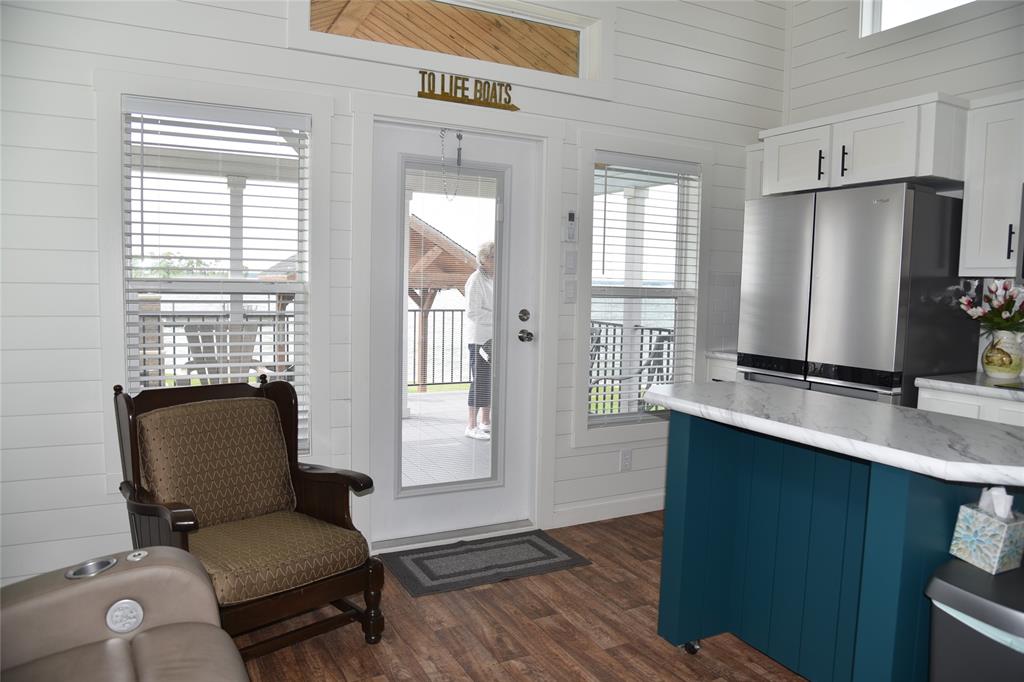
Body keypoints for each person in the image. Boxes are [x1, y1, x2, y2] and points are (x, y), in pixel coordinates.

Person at [464, 241, 494, 440]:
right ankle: (471, 425)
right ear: (483, 260)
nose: (496, 260)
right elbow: (473, 312)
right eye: (493, 257)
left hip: (492, 337)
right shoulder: (476, 280)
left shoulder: (493, 278)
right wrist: (498, 318)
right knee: (480, 381)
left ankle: (486, 422)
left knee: (490, 381)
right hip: (479, 339)